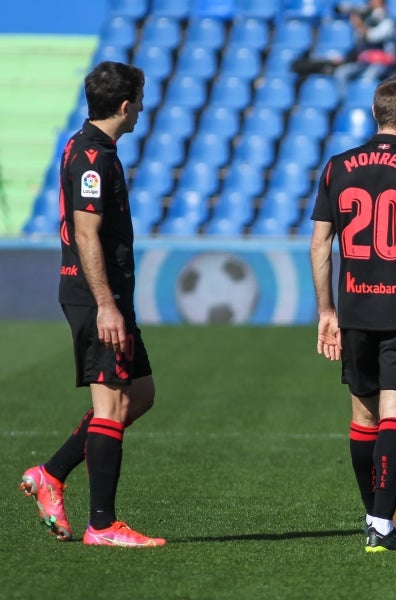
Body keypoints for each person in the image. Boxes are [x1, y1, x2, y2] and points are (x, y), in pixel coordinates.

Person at [19, 61, 164, 548]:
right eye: (140, 100)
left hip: (108, 295)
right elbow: (86, 232)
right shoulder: (92, 156)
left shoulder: (92, 147)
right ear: (126, 106)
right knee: (110, 403)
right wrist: (105, 304)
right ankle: (102, 525)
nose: (142, 108)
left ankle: (51, 473)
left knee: (138, 394)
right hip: (94, 296)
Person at [309, 75, 396, 553]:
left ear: (375, 113)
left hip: (354, 305)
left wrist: (327, 309)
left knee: (363, 417)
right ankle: (382, 525)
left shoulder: (337, 166)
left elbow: (320, 244)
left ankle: (375, 517)